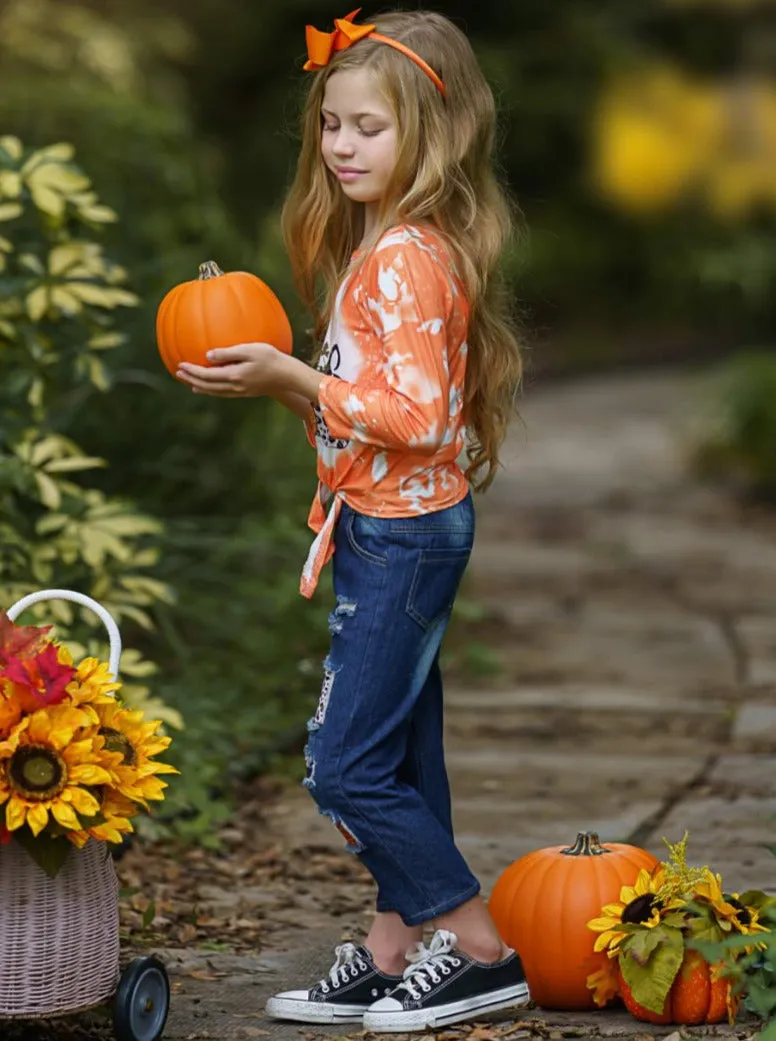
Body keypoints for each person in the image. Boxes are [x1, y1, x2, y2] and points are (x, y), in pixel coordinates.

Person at [175, 7, 528, 1032]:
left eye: (366, 127)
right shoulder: (380, 243)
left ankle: (476, 949)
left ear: (436, 132)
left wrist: (289, 369)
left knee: (342, 765)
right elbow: (368, 409)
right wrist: (286, 394)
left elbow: (418, 420)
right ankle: (389, 949)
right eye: (330, 123)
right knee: (402, 755)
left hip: (404, 539)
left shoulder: (405, 256)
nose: (339, 146)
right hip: (380, 521)